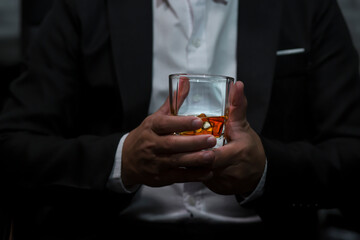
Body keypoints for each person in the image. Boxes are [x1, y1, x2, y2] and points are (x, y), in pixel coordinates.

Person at [0, 0, 360, 239]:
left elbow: (351, 150)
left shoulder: (306, 6)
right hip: (116, 226)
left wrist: (266, 169)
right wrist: (120, 160)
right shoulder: (84, 7)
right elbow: (14, 145)